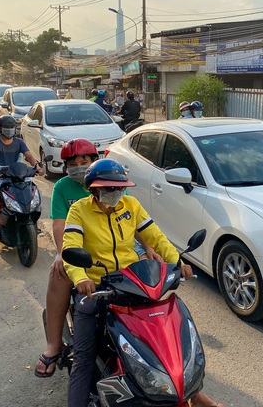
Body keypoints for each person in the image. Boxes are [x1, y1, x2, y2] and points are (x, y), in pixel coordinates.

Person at [63, 159, 222, 407]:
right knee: (83, 358)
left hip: (131, 282)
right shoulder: (79, 211)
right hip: (98, 288)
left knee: (169, 338)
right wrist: (81, 277)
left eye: (119, 188)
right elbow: (71, 247)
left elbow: (155, 237)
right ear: (93, 189)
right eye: (109, 189)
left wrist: (177, 263)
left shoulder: (131, 205)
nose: (116, 193)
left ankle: (190, 391)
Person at [35, 139, 160, 379]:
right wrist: (64, 254)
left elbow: (135, 220)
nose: (79, 167)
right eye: (73, 163)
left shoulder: (113, 180)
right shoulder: (63, 188)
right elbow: (60, 226)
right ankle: (53, 345)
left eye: (84, 161)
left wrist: (148, 248)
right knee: (59, 271)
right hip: (82, 249)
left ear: (95, 161)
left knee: (150, 275)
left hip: (121, 245)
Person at [0, 115, 45, 239]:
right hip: (0, 176)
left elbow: (29, 156)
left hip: (18, 175)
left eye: (11, 127)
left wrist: (37, 168)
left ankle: (33, 223)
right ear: (0, 128)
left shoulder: (19, 142)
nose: (9, 129)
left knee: (33, 191)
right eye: (6, 127)